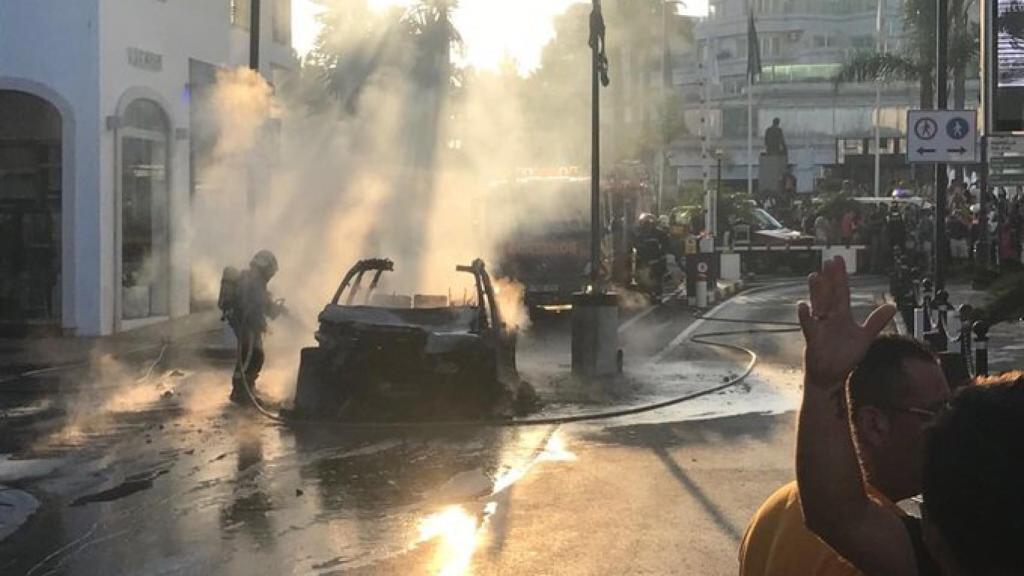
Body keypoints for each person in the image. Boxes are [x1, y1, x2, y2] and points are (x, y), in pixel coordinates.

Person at [797, 257, 1024, 576]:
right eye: (933, 412)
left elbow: (836, 515)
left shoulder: (938, 558)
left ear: (934, 536)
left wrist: (825, 384)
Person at [739, 333, 949, 576]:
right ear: (874, 425)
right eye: (937, 413)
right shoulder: (875, 551)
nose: (950, 428)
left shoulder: (777, 509)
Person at [220, 249, 286, 405]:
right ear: (265, 268)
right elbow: (257, 304)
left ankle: (247, 387)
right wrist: (271, 309)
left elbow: (263, 304)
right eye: (270, 272)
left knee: (254, 356)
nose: (270, 276)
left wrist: (274, 309)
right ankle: (240, 392)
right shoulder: (251, 281)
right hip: (245, 325)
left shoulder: (254, 281)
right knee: (252, 355)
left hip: (248, 324)